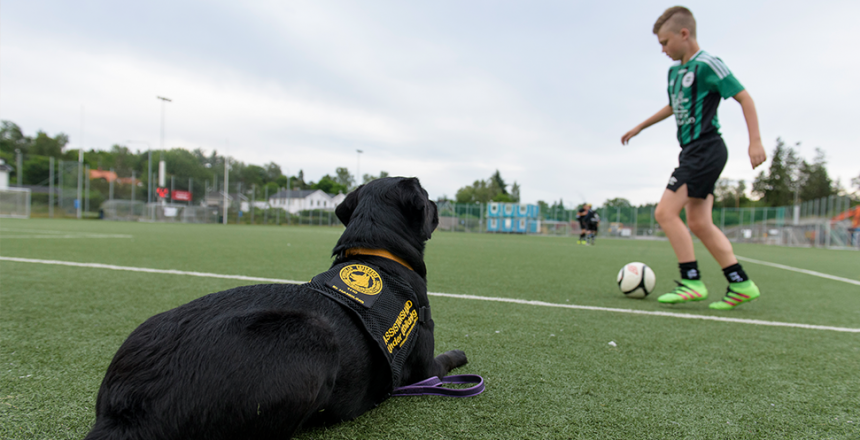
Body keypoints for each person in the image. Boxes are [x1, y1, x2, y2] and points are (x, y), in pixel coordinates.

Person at [620, 6, 767, 310]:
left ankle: (691, 281)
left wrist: (755, 141)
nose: (662, 49)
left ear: (684, 34)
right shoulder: (675, 72)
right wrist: (640, 126)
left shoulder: (708, 64)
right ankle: (741, 284)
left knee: (664, 212)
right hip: (692, 152)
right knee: (699, 222)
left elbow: (744, 97)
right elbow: (673, 106)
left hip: (706, 149)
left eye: (665, 42)